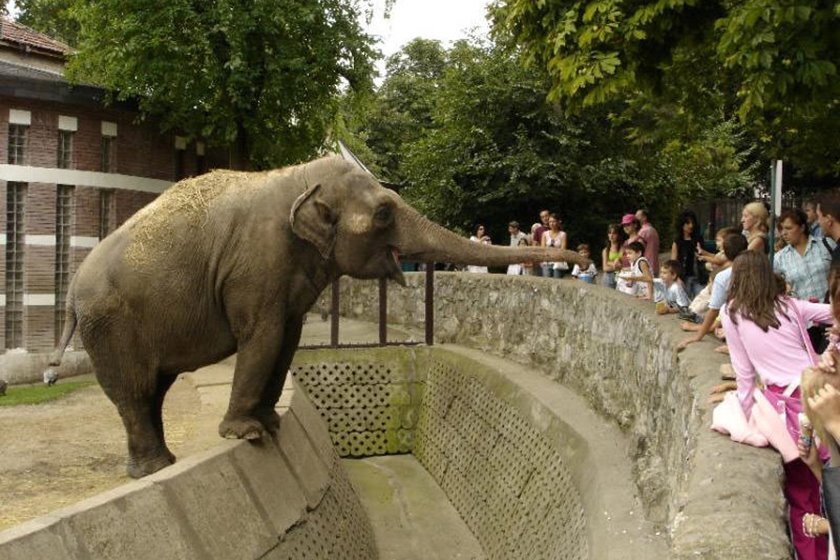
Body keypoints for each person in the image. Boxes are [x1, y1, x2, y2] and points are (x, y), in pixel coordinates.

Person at [722, 251, 832, 560]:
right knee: (827, 488)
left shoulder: (731, 313)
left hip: (785, 411)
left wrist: (744, 417)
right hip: (819, 397)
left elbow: (744, 375)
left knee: (801, 496)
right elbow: (833, 312)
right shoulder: (791, 306)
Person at [678, 233, 748, 350]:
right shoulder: (757, 268)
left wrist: (698, 335)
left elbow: (714, 310)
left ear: (725, 253)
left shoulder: (724, 276)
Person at [774, 208, 831, 304]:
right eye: (781, 229)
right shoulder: (779, 258)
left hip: (830, 310)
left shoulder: (826, 245)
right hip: (803, 315)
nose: (784, 233)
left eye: (788, 228)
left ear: (802, 227)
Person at [671, 210, 707, 298]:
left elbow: (704, 257)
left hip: (698, 277)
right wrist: (676, 278)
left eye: (692, 223)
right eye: (687, 223)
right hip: (684, 277)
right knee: (685, 303)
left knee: (700, 300)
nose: (691, 226)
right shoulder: (677, 241)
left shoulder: (698, 239)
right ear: (682, 224)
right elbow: (673, 263)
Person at [636, 209, 661, 275]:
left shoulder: (643, 231)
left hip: (645, 267)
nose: (635, 217)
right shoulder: (653, 230)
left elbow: (637, 250)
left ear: (644, 218)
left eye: (638, 216)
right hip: (655, 266)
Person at [601, 224, 625, 289]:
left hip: (621, 277)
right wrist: (617, 266)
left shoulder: (623, 248)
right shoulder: (605, 250)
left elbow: (624, 264)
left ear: (618, 235)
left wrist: (609, 262)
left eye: (614, 233)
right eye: (609, 233)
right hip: (608, 278)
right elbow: (605, 268)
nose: (611, 236)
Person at [533, 210, 551, 276]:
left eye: (546, 216)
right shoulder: (538, 230)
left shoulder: (557, 228)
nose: (545, 218)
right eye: (542, 217)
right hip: (543, 258)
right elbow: (534, 245)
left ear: (550, 216)